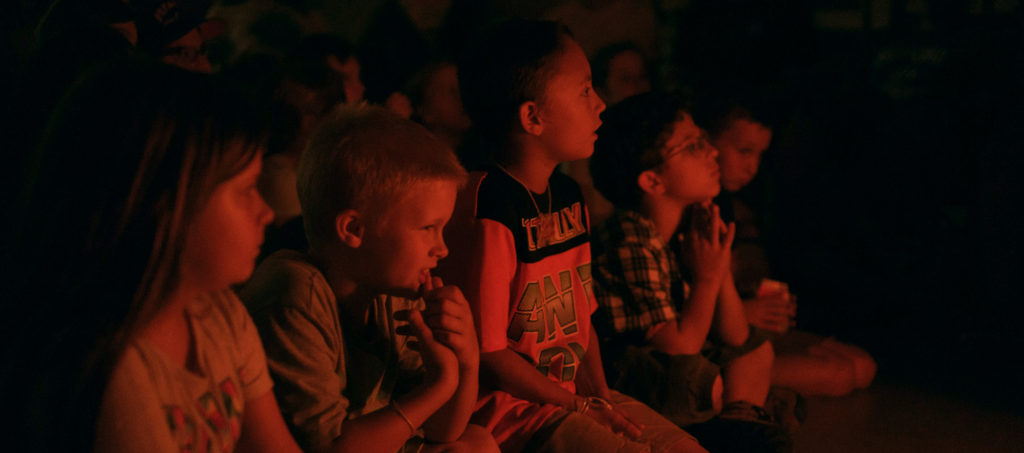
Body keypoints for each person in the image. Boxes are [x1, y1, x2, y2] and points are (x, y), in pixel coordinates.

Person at [1, 58, 301, 453]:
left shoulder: (220, 316)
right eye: (245, 189)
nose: (266, 212)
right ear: (169, 202)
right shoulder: (109, 369)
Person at [440, 19, 706, 453]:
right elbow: (490, 353)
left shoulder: (568, 195)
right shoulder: (491, 207)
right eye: (584, 90)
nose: (600, 104)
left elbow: (581, 322)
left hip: (572, 399)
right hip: (515, 417)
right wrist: (578, 406)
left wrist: (601, 397)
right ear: (532, 116)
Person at [239, 105, 497, 453]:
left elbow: (443, 431)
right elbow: (330, 447)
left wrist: (463, 360)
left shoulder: (391, 292)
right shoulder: (294, 293)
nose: (442, 249)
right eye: (428, 229)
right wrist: (439, 386)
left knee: (475, 441)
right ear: (354, 230)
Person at [588, 92, 792, 452]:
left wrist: (718, 260)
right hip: (626, 373)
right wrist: (707, 278)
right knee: (693, 376)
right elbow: (678, 346)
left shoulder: (683, 225)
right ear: (652, 181)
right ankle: (723, 428)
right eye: (694, 146)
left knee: (755, 350)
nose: (712, 152)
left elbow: (736, 334)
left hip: (675, 359)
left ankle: (739, 420)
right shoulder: (629, 238)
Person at [699, 95, 877, 398]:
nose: (752, 166)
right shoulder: (696, 209)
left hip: (736, 326)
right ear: (705, 143)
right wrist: (745, 312)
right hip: (711, 341)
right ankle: (732, 384)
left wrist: (768, 305)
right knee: (840, 375)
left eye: (760, 155)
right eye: (744, 152)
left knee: (863, 366)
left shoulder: (726, 203)